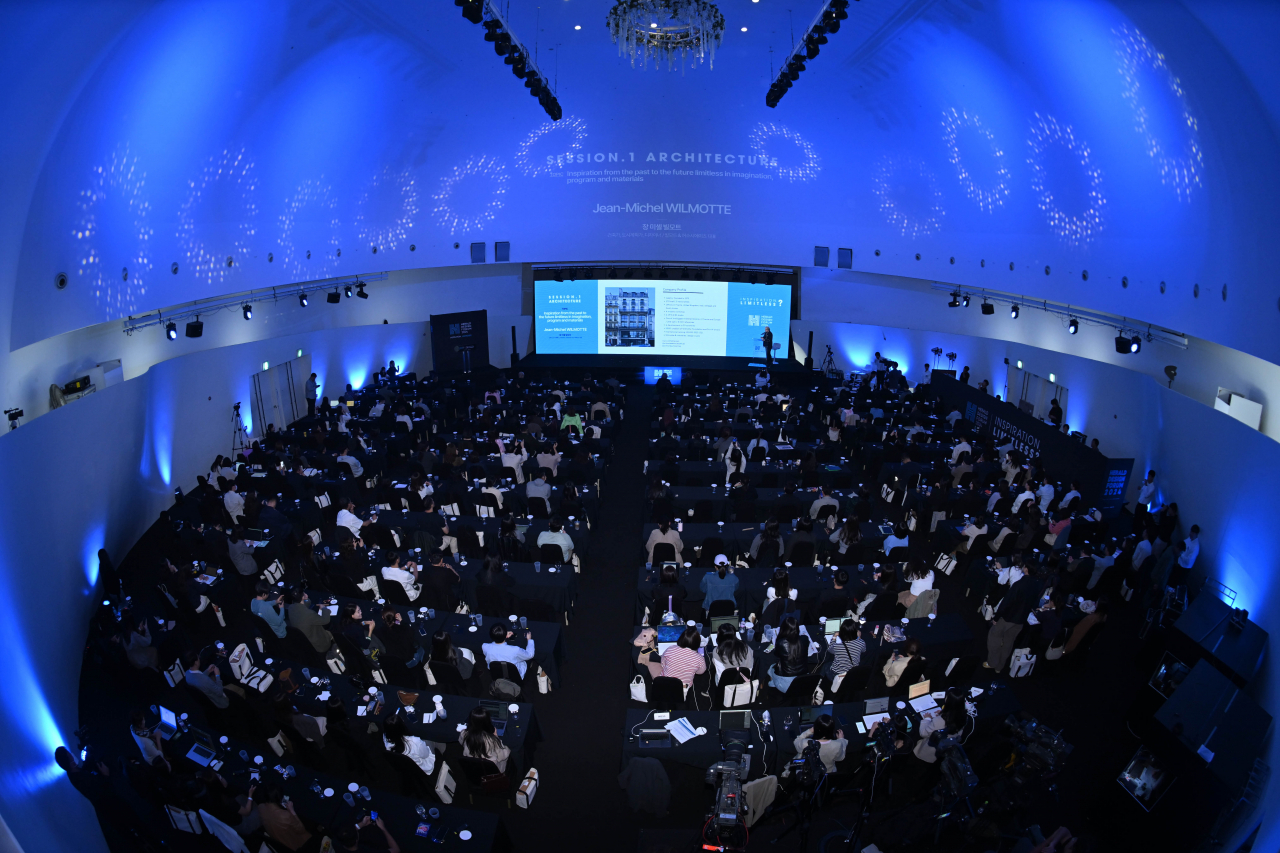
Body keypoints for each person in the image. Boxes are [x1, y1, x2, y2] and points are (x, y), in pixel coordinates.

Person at [985, 561, 1038, 671]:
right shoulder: (1036, 584)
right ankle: (1000, 666)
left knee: (994, 636)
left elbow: (1006, 603)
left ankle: (992, 662)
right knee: (1008, 642)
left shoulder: (1018, 585)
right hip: (1021, 620)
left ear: (1026, 569)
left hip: (1008, 618)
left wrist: (996, 617)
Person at [244, 782, 312, 851]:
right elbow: (301, 830)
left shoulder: (260, 807)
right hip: (294, 843)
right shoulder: (285, 815)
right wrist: (292, 811)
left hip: (278, 841)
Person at [914, 688, 971, 763]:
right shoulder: (964, 717)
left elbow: (923, 733)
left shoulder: (939, 721)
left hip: (930, 751)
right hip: (946, 747)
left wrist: (927, 719)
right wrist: (943, 713)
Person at [460, 706, 512, 772]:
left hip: (473, 767)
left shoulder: (463, 733)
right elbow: (503, 755)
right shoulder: (492, 740)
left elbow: (461, 742)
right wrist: (496, 737)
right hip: (492, 770)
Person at [767, 616, 809, 692]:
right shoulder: (805, 639)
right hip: (803, 679)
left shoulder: (781, 643)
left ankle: (772, 688)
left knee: (771, 668)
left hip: (786, 684)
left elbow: (776, 655)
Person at [286, 589, 333, 654]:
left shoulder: (291, 607)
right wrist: (324, 608)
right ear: (302, 597)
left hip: (305, 639)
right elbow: (325, 620)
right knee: (333, 632)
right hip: (318, 643)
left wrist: (306, 599)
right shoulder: (309, 614)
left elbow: (305, 604)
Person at [333, 815, 401, 853]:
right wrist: (383, 828)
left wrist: (362, 824)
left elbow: (345, 834)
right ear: (357, 838)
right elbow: (396, 850)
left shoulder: (335, 843)